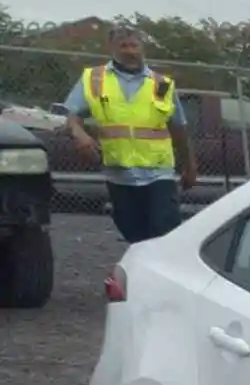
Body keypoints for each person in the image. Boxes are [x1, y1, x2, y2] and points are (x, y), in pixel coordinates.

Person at [65, 25, 197, 243]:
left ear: (142, 48)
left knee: (165, 233)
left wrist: (190, 166)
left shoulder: (162, 84)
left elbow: (179, 128)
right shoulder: (93, 79)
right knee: (134, 234)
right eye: (123, 45)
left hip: (158, 174)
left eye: (134, 45)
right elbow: (72, 115)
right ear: (111, 48)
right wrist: (79, 133)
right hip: (119, 174)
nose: (130, 51)